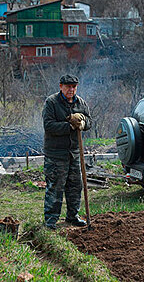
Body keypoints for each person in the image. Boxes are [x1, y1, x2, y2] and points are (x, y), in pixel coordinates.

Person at [42, 74, 92, 230]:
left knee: (75, 185)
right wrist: (69, 125)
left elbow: (89, 121)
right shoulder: (51, 102)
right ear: (61, 86)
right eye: (68, 86)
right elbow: (48, 125)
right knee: (56, 186)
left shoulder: (81, 103)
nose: (71, 89)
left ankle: (72, 216)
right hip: (56, 154)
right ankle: (51, 220)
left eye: (74, 87)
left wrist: (83, 123)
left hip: (74, 152)